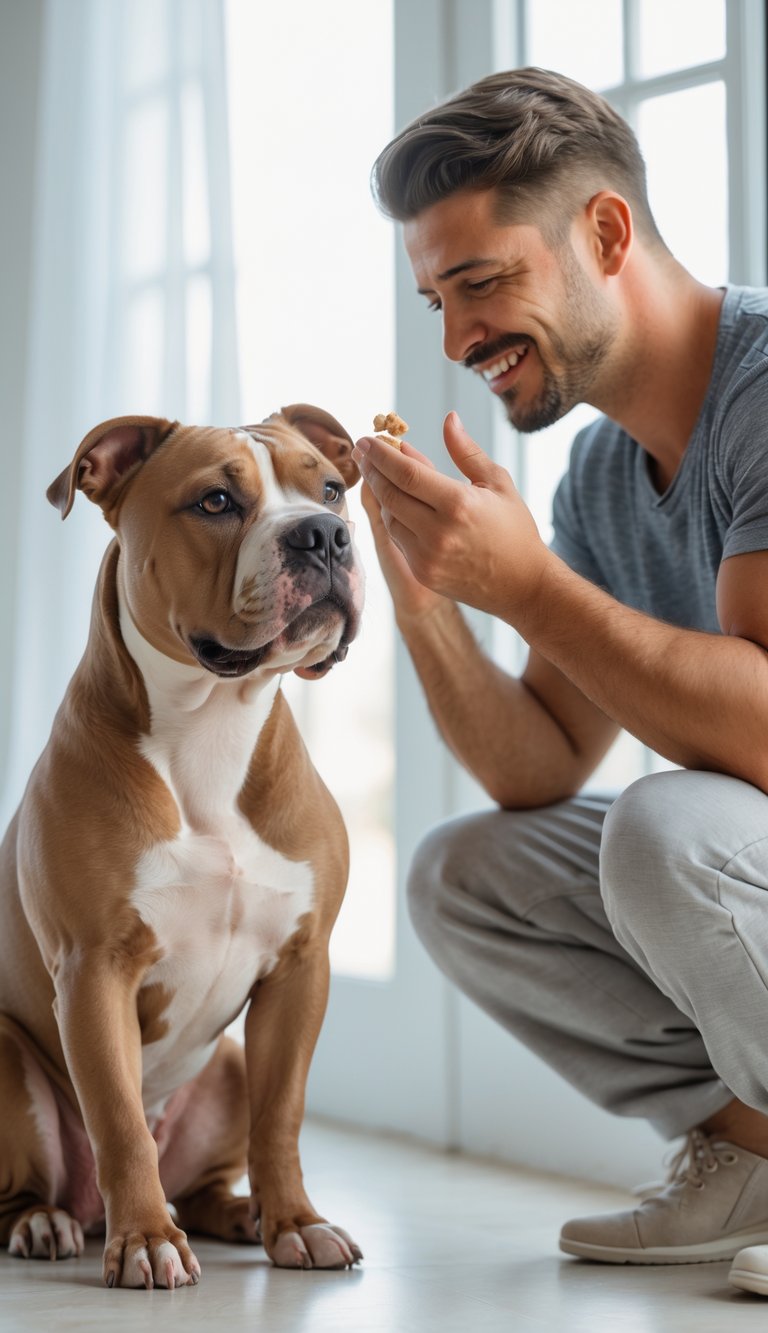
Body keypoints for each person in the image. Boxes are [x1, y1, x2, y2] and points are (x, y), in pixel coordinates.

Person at [351, 67, 768, 1295]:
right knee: (464, 875)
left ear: (603, 231)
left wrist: (530, 586)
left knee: (668, 831)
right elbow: (536, 764)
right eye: (436, 296)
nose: (455, 336)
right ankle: (752, 1152)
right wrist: (432, 596)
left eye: (480, 282)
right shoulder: (598, 474)